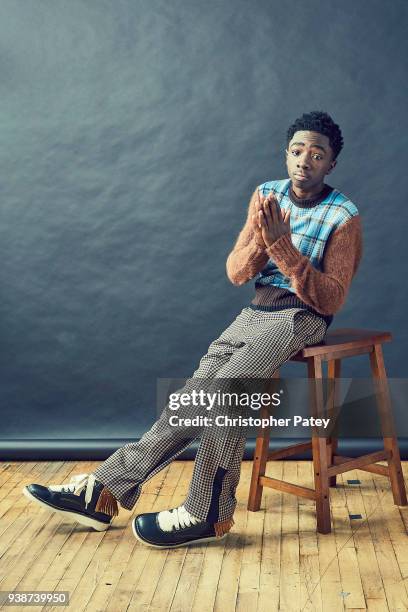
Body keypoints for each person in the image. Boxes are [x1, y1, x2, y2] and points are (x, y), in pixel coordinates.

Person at [23, 111, 363, 549]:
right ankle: (105, 490)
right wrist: (262, 241)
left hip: (300, 317)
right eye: (297, 151)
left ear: (331, 164)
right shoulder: (266, 196)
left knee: (226, 389)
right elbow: (236, 272)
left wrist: (284, 247)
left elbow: (331, 298)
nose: (304, 161)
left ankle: (206, 512)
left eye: (317, 155)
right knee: (195, 397)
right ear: (286, 154)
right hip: (256, 312)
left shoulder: (344, 215)